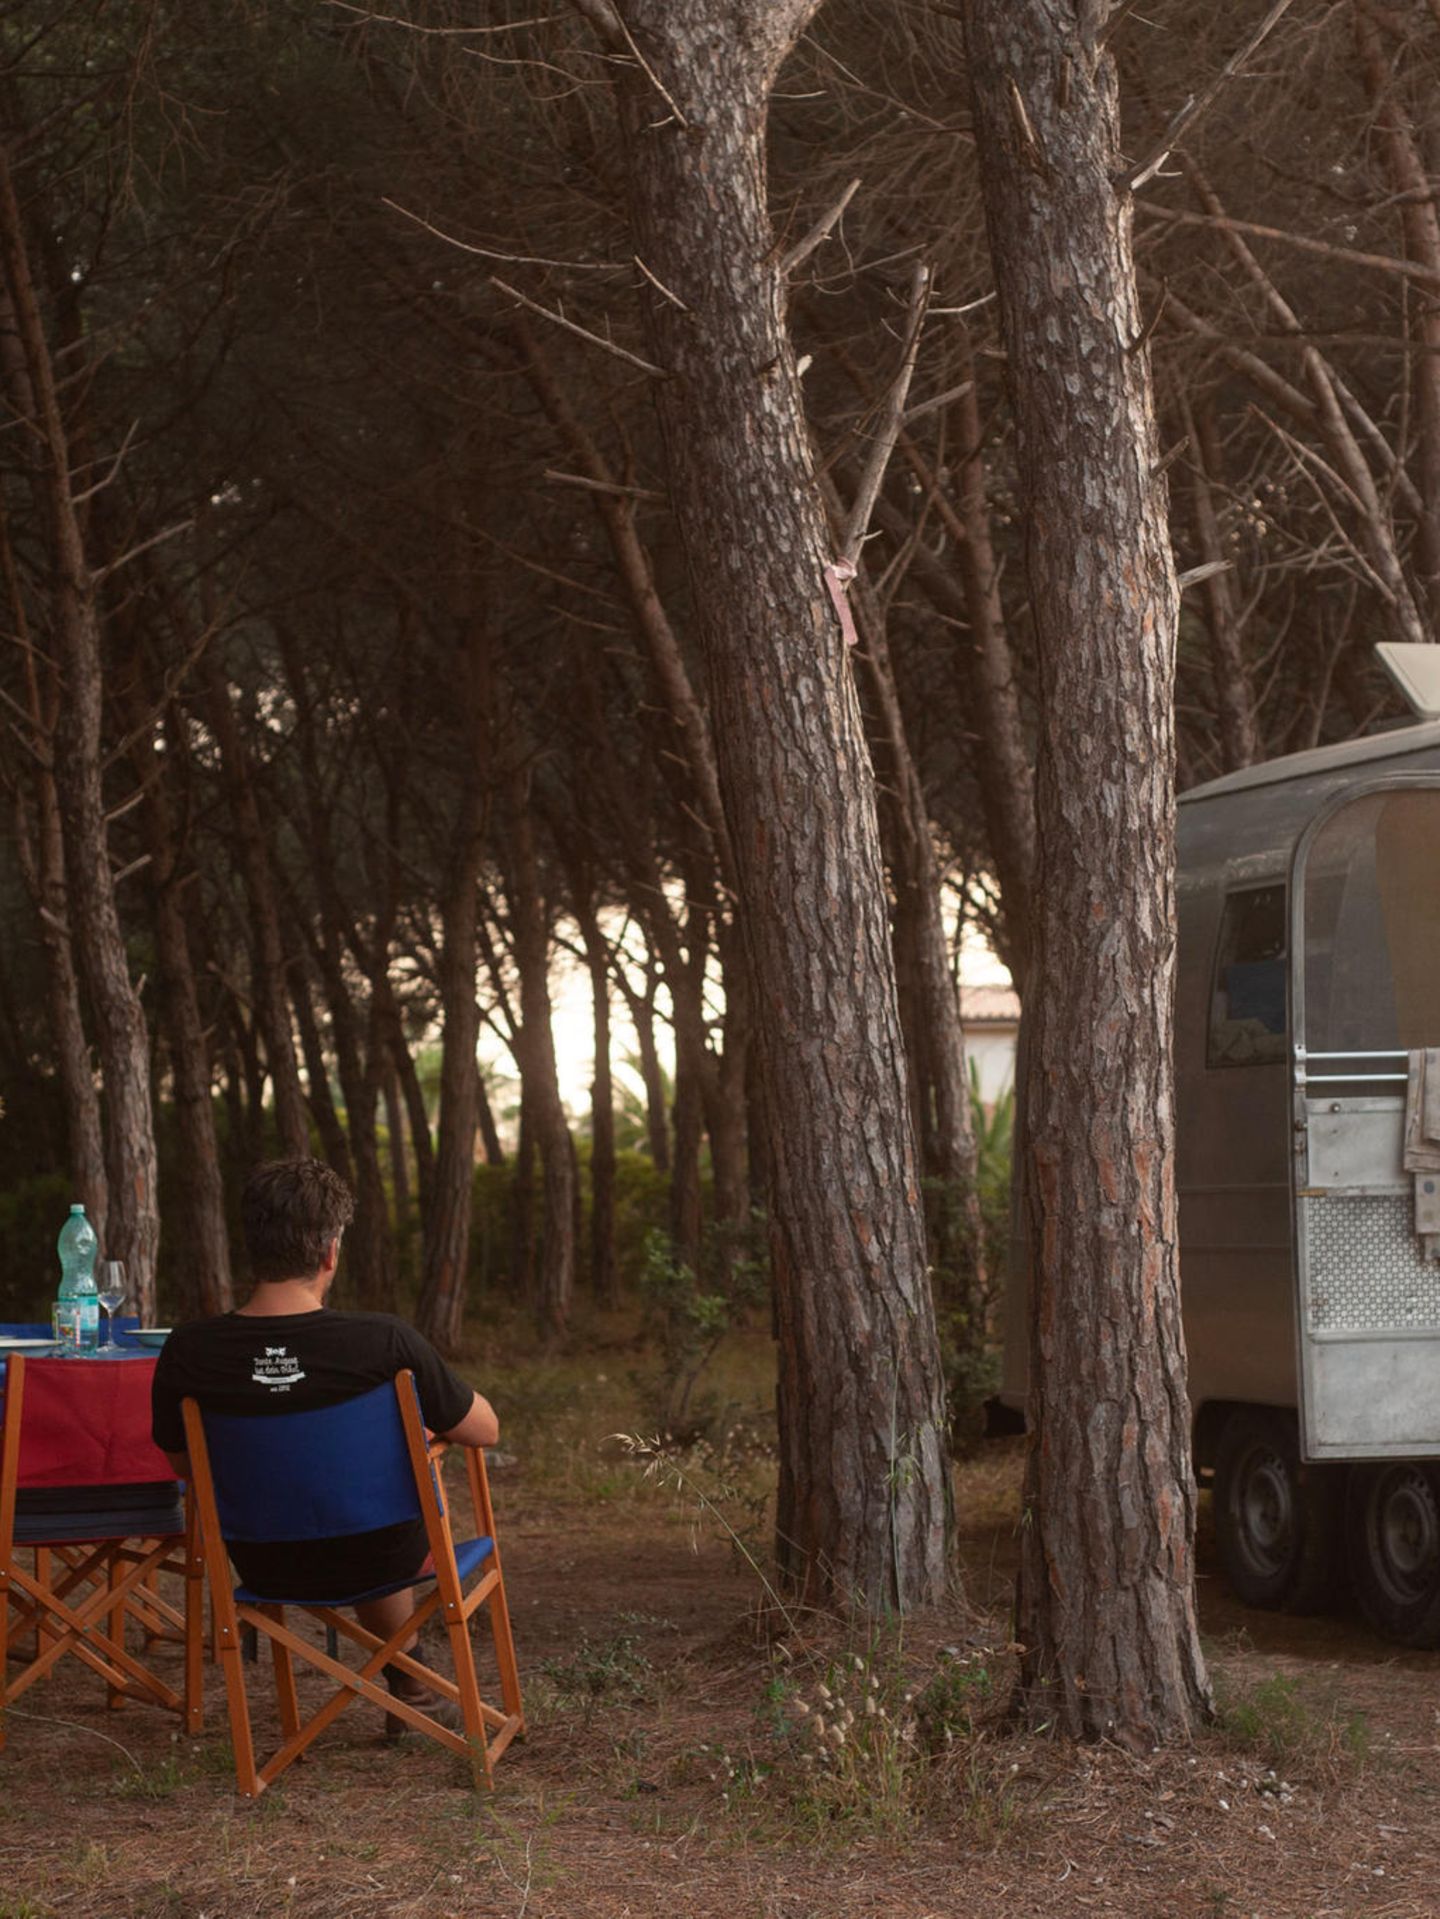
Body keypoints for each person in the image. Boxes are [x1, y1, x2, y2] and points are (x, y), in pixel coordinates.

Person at [151, 1156, 498, 1730]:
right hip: (384, 1552)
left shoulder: (190, 1350)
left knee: (335, 1509)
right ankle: (410, 1680)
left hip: (263, 1561)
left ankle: (409, 1681)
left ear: (253, 1247)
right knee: (366, 1512)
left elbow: (186, 1464)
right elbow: (484, 1430)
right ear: (331, 1250)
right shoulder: (383, 1342)